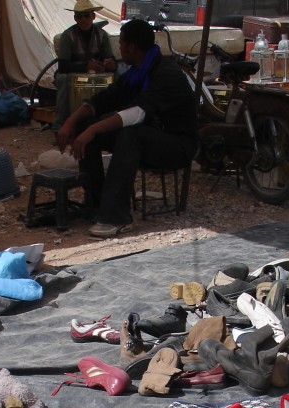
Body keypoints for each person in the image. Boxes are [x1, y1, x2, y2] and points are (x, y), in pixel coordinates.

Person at [57, 18, 198, 239]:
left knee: (128, 132)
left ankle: (116, 216)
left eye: (121, 43)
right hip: (150, 137)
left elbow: (137, 113)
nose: (119, 48)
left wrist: (93, 130)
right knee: (88, 126)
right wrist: (72, 121)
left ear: (132, 47)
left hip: (177, 145)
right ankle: (97, 204)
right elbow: (106, 98)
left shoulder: (167, 73)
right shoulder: (135, 73)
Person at [54, 0, 116, 132]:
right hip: (72, 73)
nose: (83, 20)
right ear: (75, 18)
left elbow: (111, 60)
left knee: (119, 76)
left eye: (87, 16)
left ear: (93, 16)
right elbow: (63, 66)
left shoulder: (102, 35)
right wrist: (85, 67)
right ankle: (60, 125)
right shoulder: (68, 35)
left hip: (95, 73)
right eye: (79, 16)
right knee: (63, 79)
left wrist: (110, 65)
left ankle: (113, 118)